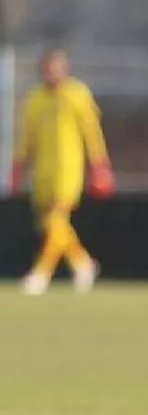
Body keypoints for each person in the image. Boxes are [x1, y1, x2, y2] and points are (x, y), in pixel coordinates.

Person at [11, 49, 115, 296]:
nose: (51, 72)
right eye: (47, 68)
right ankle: (83, 263)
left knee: (56, 220)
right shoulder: (35, 98)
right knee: (52, 226)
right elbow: (26, 137)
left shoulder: (77, 95)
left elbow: (92, 133)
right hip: (43, 172)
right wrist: (18, 167)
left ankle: (40, 275)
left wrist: (100, 166)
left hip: (68, 170)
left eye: (56, 67)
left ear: (64, 68)